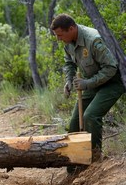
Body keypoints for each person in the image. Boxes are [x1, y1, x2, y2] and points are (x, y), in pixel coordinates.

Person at [50, 13, 125, 166]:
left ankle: (95, 160)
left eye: (60, 35)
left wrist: (87, 83)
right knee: (74, 123)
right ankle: (74, 166)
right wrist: (69, 81)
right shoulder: (68, 41)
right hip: (91, 82)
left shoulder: (93, 40)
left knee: (90, 115)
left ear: (71, 28)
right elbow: (69, 63)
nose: (58, 38)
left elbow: (111, 68)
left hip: (112, 82)